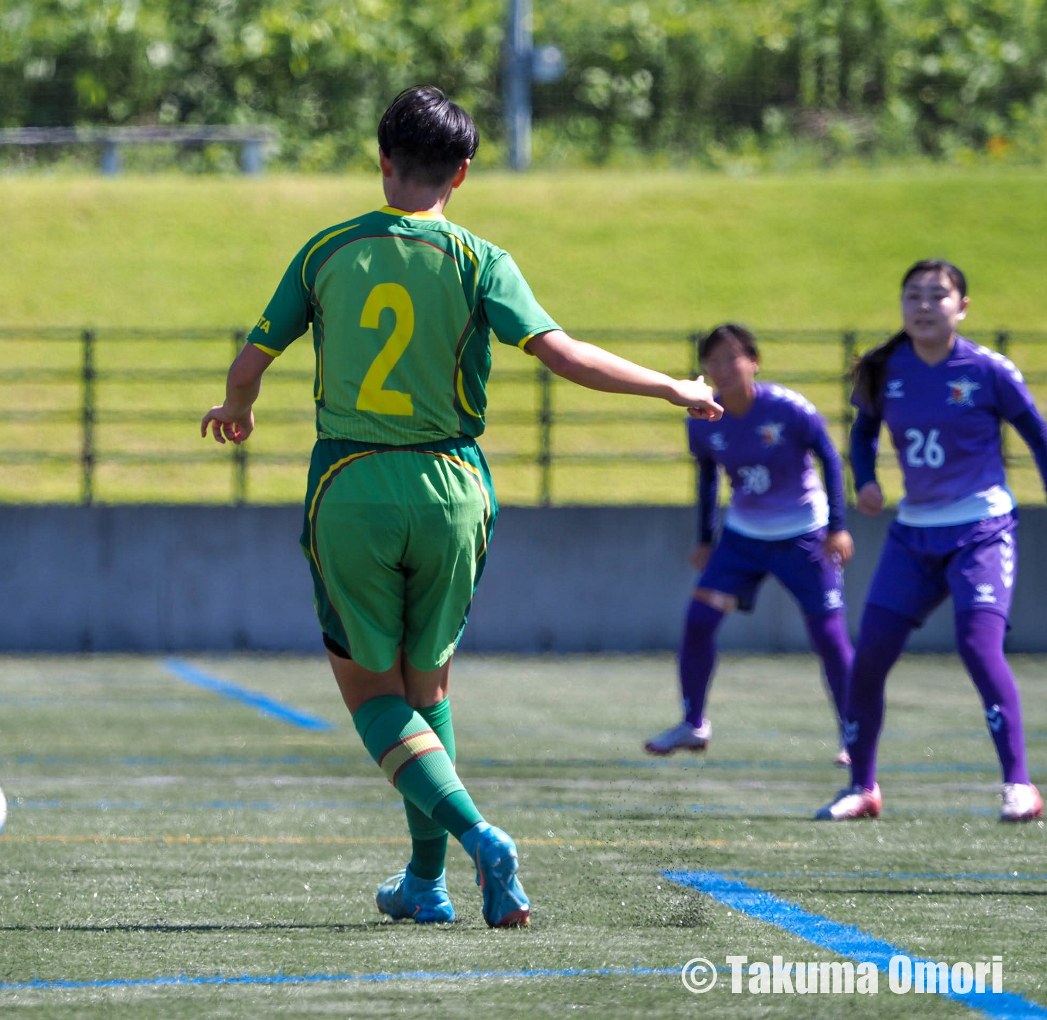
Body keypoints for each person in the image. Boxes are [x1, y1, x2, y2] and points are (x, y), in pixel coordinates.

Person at [200, 85, 721, 926]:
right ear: (464, 173)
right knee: (427, 686)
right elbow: (562, 354)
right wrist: (671, 387)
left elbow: (252, 360)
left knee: (376, 698)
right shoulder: (481, 259)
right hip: (453, 489)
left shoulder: (326, 250)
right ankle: (425, 881)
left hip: (353, 486)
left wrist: (238, 409)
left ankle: (478, 838)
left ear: (382, 161)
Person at [817, 259, 1047, 822]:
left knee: (977, 646)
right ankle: (862, 787)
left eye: (937, 295)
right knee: (868, 657)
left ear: (962, 308)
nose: (923, 305)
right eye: (913, 295)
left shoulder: (989, 370)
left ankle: (1019, 784)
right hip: (913, 533)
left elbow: (1039, 438)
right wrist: (865, 480)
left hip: (981, 531)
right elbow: (864, 431)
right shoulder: (884, 368)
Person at [644, 324, 854, 764]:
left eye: (731, 358)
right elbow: (706, 477)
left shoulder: (788, 408)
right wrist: (706, 537)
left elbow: (830, 459)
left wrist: (838, 526)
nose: (721, 368)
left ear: (753, 362)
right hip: (744, 538)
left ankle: (854, 733)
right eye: (712, 360)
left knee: (829, 635)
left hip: (804, 535)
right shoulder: (702, 419)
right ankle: (693, 724)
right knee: (699, 620)